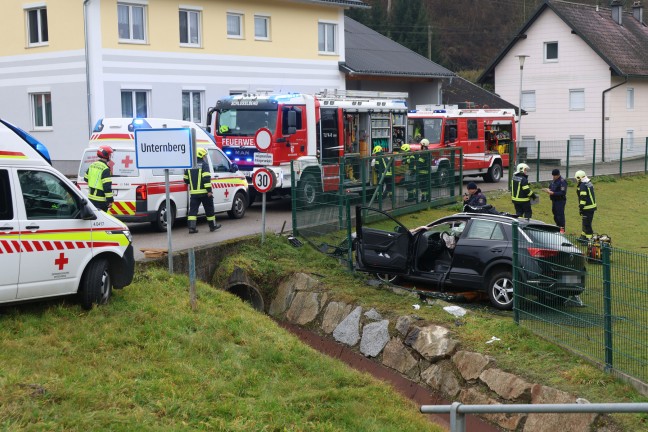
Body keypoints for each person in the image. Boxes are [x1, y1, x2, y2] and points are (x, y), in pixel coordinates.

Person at [184, 147, 220, 234]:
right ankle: (212, 226)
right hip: (204, 193)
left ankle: (192, 228)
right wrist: (209, 191)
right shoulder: (204, 165)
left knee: (193, 211)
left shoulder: (190, 166)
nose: (204, 157)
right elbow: (206, 179)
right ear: (201, 155)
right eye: (204, 156)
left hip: (194, 194)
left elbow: (186, 180)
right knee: (209, 210)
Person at [84, 145, 114, 212]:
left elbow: (85, 179)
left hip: (90, 198)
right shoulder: (105, 169)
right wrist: (110, 201)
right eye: (110, 154)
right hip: (100, 201)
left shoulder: (92, 165)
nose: (110, 156)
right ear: (106, 155)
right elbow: (107, 187)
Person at [575, 170, 597, 239]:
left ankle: (588, 239)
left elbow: (583, 198)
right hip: (591, 207)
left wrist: (581, 208)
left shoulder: (583, 185)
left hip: (587, 208)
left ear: (579, 178)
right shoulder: (588, 183)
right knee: (585, 222)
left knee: (587, 224)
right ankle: (583, 237)